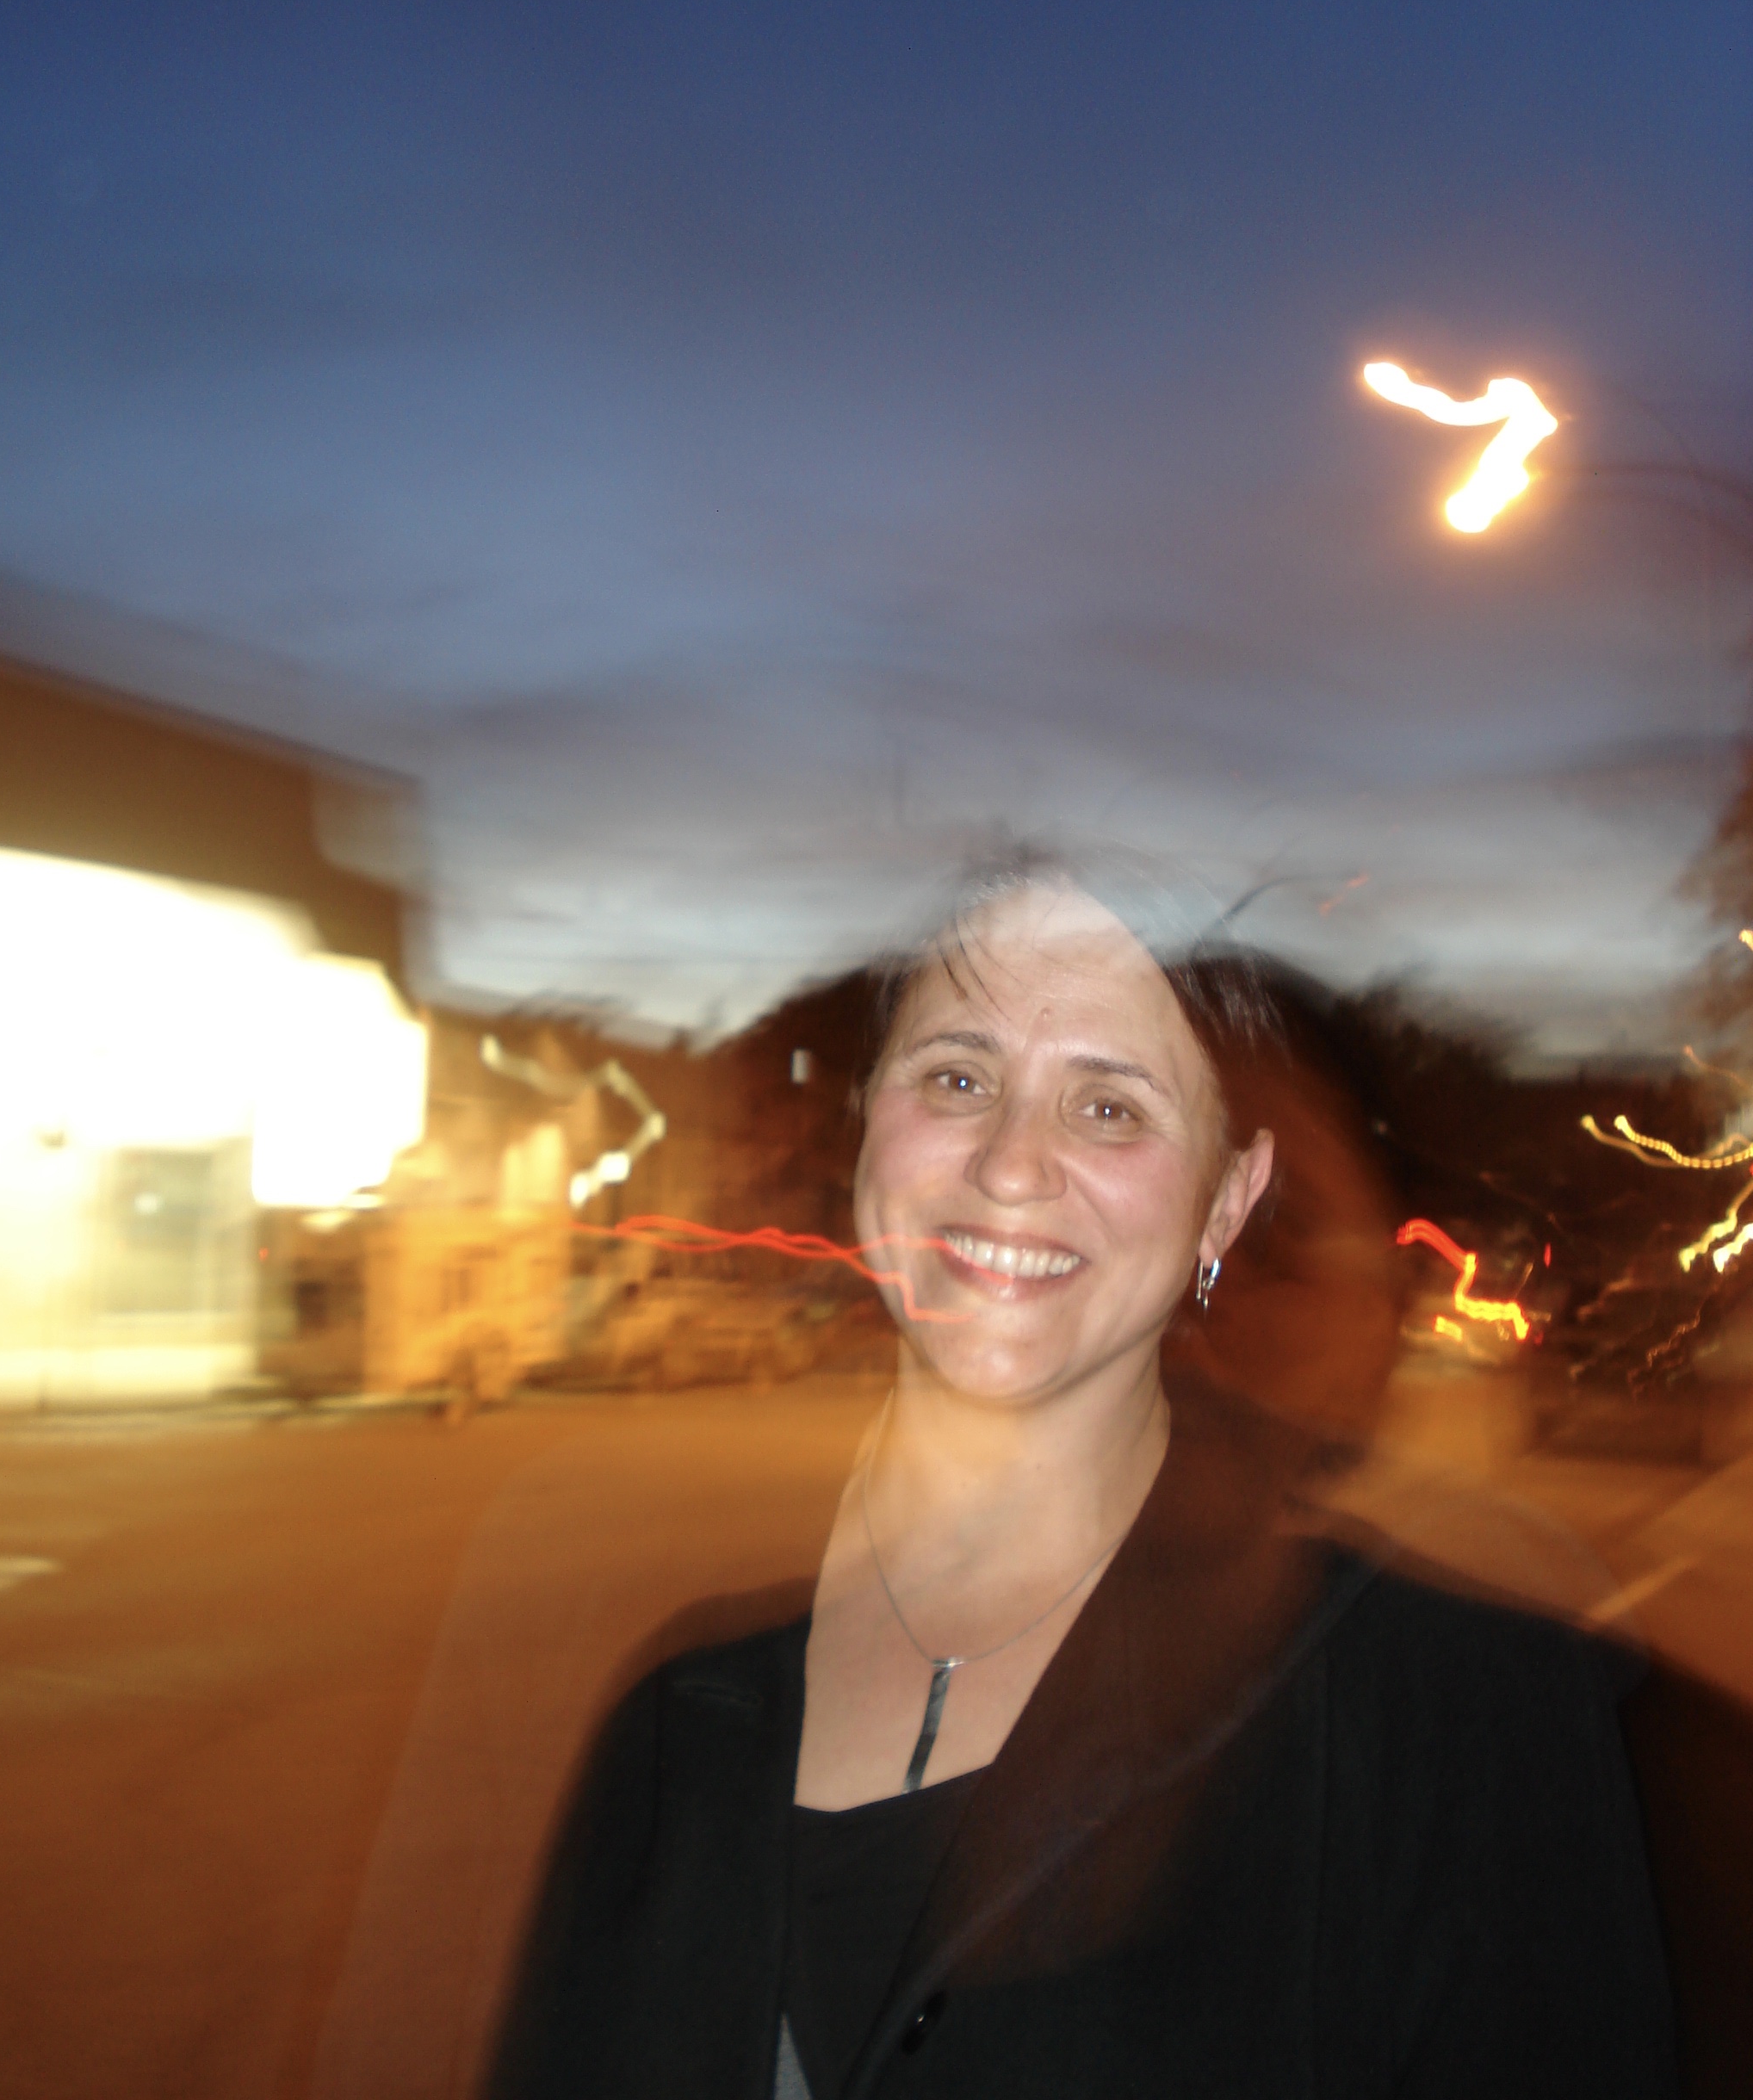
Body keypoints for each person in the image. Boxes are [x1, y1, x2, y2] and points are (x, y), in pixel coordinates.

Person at [483, 857, 1678, 2100]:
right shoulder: (680, 1731)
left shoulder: (1478, 1737)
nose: (1011, 1165)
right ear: (867, 1127)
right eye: (957, 1078)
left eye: (1110, 1107)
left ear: (1227, 1202)